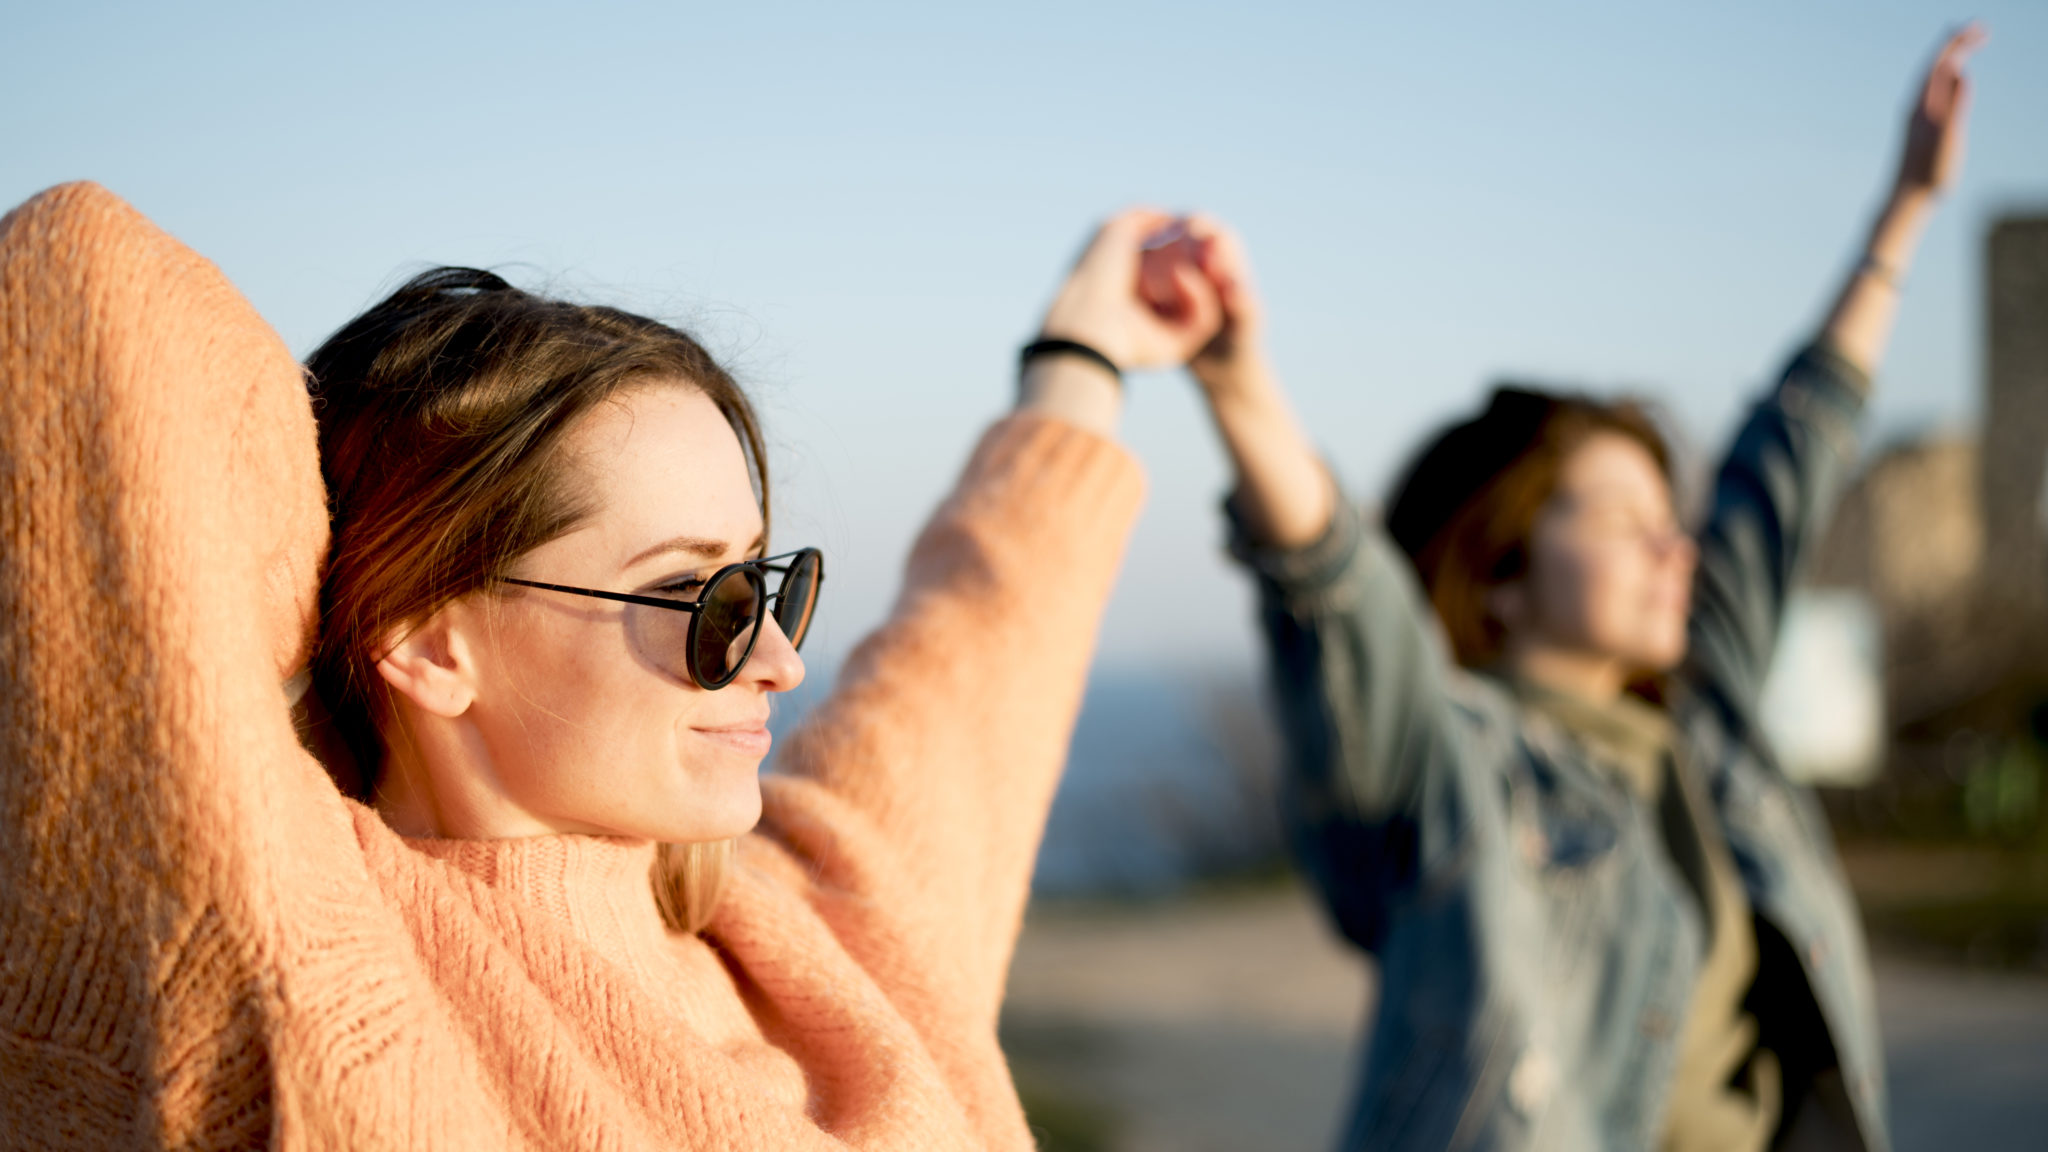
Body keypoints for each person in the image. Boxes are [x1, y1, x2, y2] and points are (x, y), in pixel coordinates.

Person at [0, 187, 1218, 1148]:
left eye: (766, 581)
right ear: (429, 641)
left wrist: (1079, 355)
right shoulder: (295, 969)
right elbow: (79, 291)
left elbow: (973, 662)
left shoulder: (824, 937)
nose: (779, 661)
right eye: (700, 597)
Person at [1165, 26, 1984, 1152]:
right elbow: (1338, 602)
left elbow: (1788, 455)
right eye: (1623, 520)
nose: (1672, 550)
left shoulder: (1703, 712)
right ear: (1497, 575)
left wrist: (1903, 209)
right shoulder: (1452, 766)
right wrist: (1238, 382)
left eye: (1672, 522)